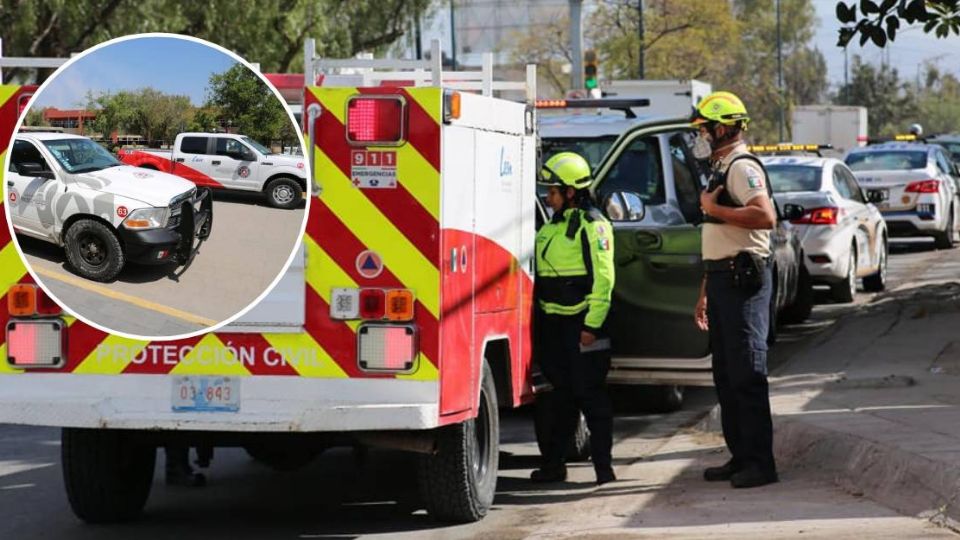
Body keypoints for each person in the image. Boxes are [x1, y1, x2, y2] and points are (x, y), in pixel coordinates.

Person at [691, 91, 779, 489]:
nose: (702, 135)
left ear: (723, 127)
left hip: (744, 281)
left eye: (705, 129)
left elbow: (764, 216)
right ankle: (740, 456)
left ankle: (761, 464)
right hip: (723, 278)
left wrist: (715, 209)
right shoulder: (719, 167)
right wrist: (706, 289)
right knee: (726, 375)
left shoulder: (742, 168)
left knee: (747, 373)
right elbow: (719, 236)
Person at [530, 152, 617, 486]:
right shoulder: (553, 224)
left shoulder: (593, 224)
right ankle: (554, 467)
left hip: (583, 327)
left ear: (570, 192)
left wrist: (591, 327)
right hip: (555, 326)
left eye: (552, 191)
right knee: (558, 401)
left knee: (591, 398)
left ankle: (604, 470)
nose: (547, 198)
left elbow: (604, 279)